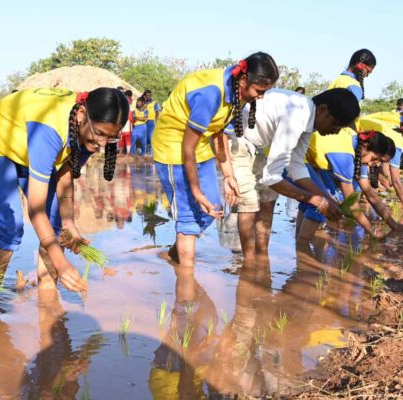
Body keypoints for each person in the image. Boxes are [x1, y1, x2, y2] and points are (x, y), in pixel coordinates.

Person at [0, 87, 128, 292]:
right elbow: (36, 210)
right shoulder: (50, 129)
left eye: (110, 138)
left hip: (27, 146)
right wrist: (63, 264)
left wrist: (69, 223)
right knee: (9, 227)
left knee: (56, 227)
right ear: (81, 115)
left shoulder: (88, 132)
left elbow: (66, 174)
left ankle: (48, 297)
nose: (102, 144)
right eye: (100, 134)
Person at [152, 52, 279, 268]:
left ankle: (175, 254)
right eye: (259, 91)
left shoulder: (237, 93)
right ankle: (187, 286)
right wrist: (195, 191)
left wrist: (229, 175)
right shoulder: (211, 93)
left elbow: (219, 134)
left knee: (212, 209)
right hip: (173, 148)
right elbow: (186, 148)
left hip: (199, 146)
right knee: (188, 217)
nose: (261, 97)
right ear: (244, 79)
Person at [230, 88, 360, 261]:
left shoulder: (309, 121)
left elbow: (296, 166)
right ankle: (249, 263)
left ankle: (262, 257)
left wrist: (326, 198)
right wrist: (314, 200)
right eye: (336, 125)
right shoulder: (296, 117)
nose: (335, 132)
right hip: (238, 139)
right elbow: (272, 177)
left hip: (259, 146)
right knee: (249, 203)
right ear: (323, 110)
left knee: (268, 200)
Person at [297, 129, 401, 243]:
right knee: (323, 203)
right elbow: (351, 203)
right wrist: (372, 231)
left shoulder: (359, 151)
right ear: (366, 146)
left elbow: (370, 194)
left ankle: (299, 243)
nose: (372, 164)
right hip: (296, 158)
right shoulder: (345, 156)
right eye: (374, 159)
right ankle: (303, 247)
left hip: (309, 161)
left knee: (320, 200)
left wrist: (393, 225)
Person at [143, 89, 161, 155]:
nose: (149, 96)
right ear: (144, 95)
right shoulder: (143, 103)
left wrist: (156, 122)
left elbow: (158, 112)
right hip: (143, 122)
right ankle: (145, 153)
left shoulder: (155, 103)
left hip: (151, 122)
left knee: (151, 137)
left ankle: (152, 154)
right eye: (147, 95)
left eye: (150, 95)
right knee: (145, 137)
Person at [119, 89, 133, 154]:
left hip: (127, 123)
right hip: (121, 123)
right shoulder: (121, 104)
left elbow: (131, 116)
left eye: (126, 96)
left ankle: (128, 153)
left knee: (127, 138)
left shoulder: (130, 105)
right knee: (120, 138)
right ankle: (120, 153)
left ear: (129, 97)